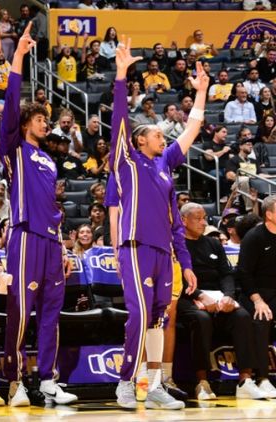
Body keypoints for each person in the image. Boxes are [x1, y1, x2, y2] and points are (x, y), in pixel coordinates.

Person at [110, 37, 206, 410]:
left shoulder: (164, 164)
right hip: (135, 249)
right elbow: (119, 120)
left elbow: (192, 130)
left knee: (156, 320)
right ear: (139, 140)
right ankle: (125, 382)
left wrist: (201, 93)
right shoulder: (127, 161)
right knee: (138, 315)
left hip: (164, 253)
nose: (162, 137)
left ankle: (151, 386)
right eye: (156, 134)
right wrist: (121, 76)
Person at [0, 23, 77, 408]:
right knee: (20, 311)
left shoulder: (48, 159)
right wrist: (17, 57)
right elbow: (11, 102)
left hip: (50, 240)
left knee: (51, 314)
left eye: (48, 119)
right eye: (40, 118)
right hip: (25, 236)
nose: (46, 123)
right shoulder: (14, 149)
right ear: (25, 122)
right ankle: (15, 381)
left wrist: (62, 247)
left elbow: (53, 209)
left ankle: (47, 380)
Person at [178, 202, 268, 400]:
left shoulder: (214, 244)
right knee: (201, 319)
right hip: (187, 296)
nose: (204, 223)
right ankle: (202, 382)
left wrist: (228, 296)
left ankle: (245, 380)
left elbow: (226, 274)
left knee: (242, 316)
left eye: (204, 218)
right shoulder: (177, 245)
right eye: (198, 219)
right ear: (183, 220)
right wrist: (199, 295)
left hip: (218, 296)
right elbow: (176, 277)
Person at [237, 195, 276, 398]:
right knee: (261, 319)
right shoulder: (254, 237)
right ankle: (263, 378)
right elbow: (244, 273)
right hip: (255, 293)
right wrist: (257, 300)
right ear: (269, 214)